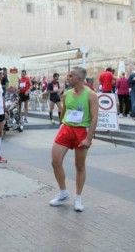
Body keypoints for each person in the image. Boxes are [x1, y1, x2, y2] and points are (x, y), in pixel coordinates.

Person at [49, 67, 98, 212]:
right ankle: (63, 193)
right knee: (55, 162)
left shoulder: (91, 95)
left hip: (81, 131)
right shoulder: (66, 94)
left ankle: (78, 198)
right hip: (66, 129)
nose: (67, 78)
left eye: (71, 76)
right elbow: (64, 113)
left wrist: (88, 139)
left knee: (80, 166)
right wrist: (61, 127)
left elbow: (95, 118)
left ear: (79, 79)